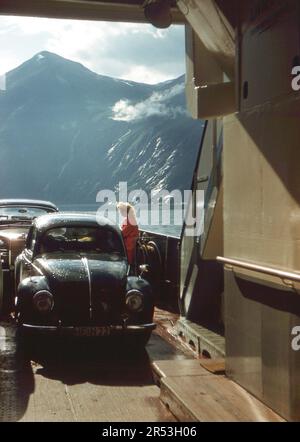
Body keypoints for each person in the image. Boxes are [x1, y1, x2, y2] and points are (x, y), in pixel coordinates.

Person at [117, 202, 139, 270]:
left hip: (129, 246)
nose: (120, 212)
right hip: (126, 244)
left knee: (128, 262)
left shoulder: (130, 220)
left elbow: (123, 233)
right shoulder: (128, 219)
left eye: (120, 211)